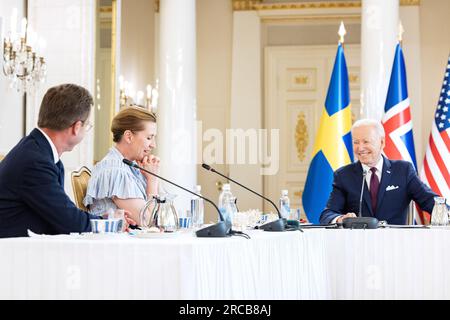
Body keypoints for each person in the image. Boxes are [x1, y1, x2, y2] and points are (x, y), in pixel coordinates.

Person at [0, 84, 103, 237]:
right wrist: (111, 223)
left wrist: (103, 219)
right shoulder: (35, 161)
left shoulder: (38, 150)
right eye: (87, 125)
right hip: (13, 254)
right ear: (77, 127)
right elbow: (70, 222)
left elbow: (62, 213)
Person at [320, 119, 438, 225]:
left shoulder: (403, 171)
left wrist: (445, 212)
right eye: (356, 142)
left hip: (394, 243)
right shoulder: (343, 175)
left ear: (382, 142)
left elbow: (430, 202)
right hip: (358, 244)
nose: (360, 148)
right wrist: (341, 219)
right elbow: (327, 215)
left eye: (366, 142)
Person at [84, 106, 160, 224]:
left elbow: (164, 216)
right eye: (149, 138)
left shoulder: (130, 166)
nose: (153, 145)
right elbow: (149, 223)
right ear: (129, 136)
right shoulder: (115, 170)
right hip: (113, 241)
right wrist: (152, 180)